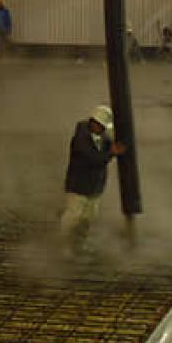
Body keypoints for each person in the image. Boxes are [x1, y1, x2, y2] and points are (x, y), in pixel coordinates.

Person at [59, 105, 127, 256]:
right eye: (101, 127)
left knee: (88, 218)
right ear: (94, 123)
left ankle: (80, 244)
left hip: (94, 186)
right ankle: (65, 245)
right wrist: (111, 153)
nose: (103, 130)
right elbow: (93, 158)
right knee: (73, 216)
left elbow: (110, 144)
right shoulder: (81, 139)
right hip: (78, 186)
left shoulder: (102, 136)